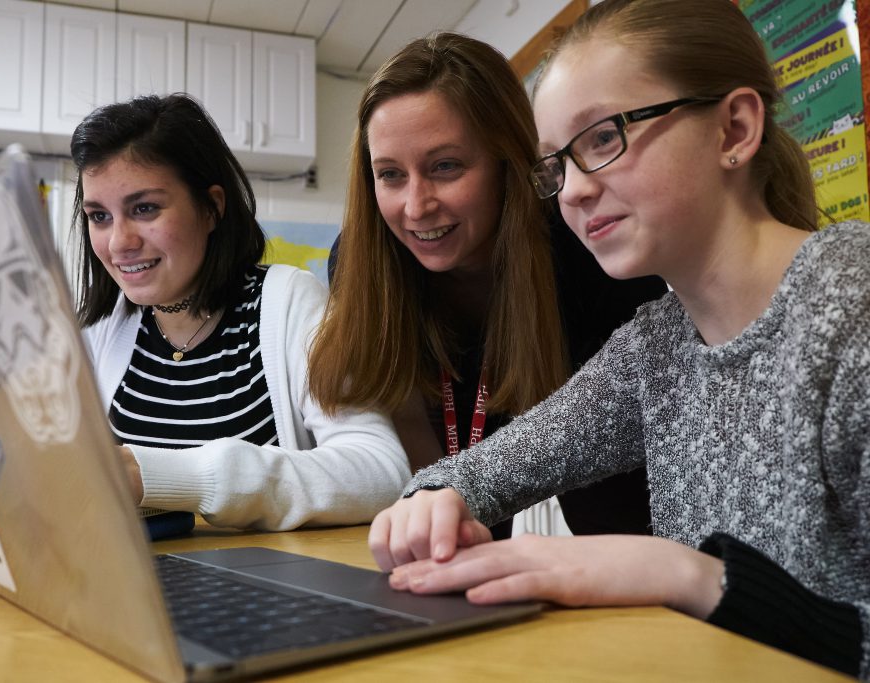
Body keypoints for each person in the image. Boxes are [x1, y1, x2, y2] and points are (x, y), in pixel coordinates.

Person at [367, 0, 869, 677]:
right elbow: (479, 472)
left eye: (602, 138)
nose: (571, 190)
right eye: (556, 165)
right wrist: (433, 499)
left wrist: (690, 576)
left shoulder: (852, 304)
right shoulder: (655, 347)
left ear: (735, 127)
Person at [307, 32, 667, 538]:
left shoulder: (588, 252)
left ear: (508, 162)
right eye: (390, 175)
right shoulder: (365, 262)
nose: (416, 206)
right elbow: (416, 454)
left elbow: (622, 493)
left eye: (445, 166)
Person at [69, 93, 411, 531]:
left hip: (264, 584)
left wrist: (180, 478)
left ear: (212, 207)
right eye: (99, 216)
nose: (119, 242)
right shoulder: (102, 330)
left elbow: (380, 474)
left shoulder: (288, 302)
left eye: (145, 208)